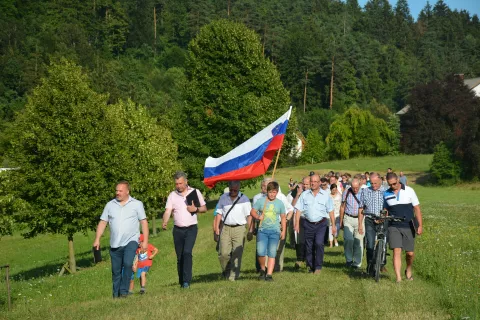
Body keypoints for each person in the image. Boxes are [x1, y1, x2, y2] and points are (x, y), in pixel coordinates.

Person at [93, 181, 149, 298]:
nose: (117, 193)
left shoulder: (137, 204)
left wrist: (145, 241)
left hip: (131, 240)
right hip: (115, 243)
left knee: (128, 263)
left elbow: (143, 222)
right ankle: (116, 294)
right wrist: (97, 239)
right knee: (116, 271)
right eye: (116, 191)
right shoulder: (110, 205)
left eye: (120, 191)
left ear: (127, 191)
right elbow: (103, 222)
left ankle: (124, 291)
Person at [162, 171, 207, 289]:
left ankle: (187, 281)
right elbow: (168, 210)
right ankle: (181, 280)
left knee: (187, 252)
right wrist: (165, 221)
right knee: (180, 256)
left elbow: (204, 208)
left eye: (181, 183)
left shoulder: (195, 192)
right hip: (178, 230)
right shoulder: (172, 195)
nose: (179, 186)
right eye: (176, 184)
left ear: (186, 182)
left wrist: (195, 209)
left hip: (191, 228)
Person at [384, 172, 423, 283]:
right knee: (397, 251)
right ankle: (398, 279)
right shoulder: (386, 193)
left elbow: (417, 209)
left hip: (408, 225)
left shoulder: (409, 191)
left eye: (394, 183)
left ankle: (408, 269)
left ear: (398, 179)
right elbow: (385, 210)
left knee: (410, 253)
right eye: (390, 184)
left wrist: (420, 225)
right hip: (393, 226)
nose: (393, 186)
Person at [294, 174, 335, 274]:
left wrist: (333, 225)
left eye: (315, 181)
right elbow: (298, 209)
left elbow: (331, 210)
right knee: (309, 246)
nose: (313, 183)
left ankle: (318, 267)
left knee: (319, 243)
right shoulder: (305, 194)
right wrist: (296, 224)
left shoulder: (325, 195)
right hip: (308, 223)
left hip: (321, 223)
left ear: (320, 182)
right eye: (312, 181)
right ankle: (310, 266)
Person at [252, 177, 293, 272]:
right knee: (261, 251)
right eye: (269, 190)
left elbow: (288, 211)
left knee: (274, 251)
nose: (272, 193)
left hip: (277, 227)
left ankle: (273, 270)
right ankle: (263, 268)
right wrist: (258, 218)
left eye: (274, 191)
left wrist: (284, 225)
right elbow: (253, 212)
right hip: (263, 228)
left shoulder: (281, 199)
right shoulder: (260, 200)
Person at [214, 181, 252, 281]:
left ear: (239, 188)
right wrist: (216, 228)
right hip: (226, 228)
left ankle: (233, 276)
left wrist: (250, 230)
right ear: (229, 188)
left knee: (237, 253)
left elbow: (249, 216)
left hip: (239, 228)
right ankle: (226, 271)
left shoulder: (245, 199)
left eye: (235, 190)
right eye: (231, 190)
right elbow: (219, 213)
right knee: (223, 253)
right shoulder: (223, 197)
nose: (233, 192)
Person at [358, 173, 387, 273]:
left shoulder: (386, 191)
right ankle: (370, 267)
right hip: (370, 219)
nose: (374, 185)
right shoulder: (365, 191)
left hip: (383, 219)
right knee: (370, 244)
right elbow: (361, 208)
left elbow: (389, 207)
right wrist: (359, 224)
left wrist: (382, 218)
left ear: (380, 181)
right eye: (372, 183)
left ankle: (382, 262)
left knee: (383, 242)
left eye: (376, 183)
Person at [339, 178, 364, 268]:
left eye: (357, 187)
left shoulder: (364, 193)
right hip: (348, 218)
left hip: (360, 219)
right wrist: (341, 221)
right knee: (348, 240)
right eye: (353, 188)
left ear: (360, 185)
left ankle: (357, 263)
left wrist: (361, 223)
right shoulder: (346, 192)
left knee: (358, 241)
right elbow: (342, 207)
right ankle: (349, 260)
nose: (355, 190)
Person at [291, 177, 310, 269]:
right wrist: (298, 194)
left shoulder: (313, 193)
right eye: (304, 184)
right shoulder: (297, 191)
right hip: (298, 218)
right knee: (299, 239)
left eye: (307, 184)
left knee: (308, 240)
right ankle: (299, 258)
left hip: (309, 219)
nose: (305, 186)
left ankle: (308, 259)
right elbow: (293, 205)